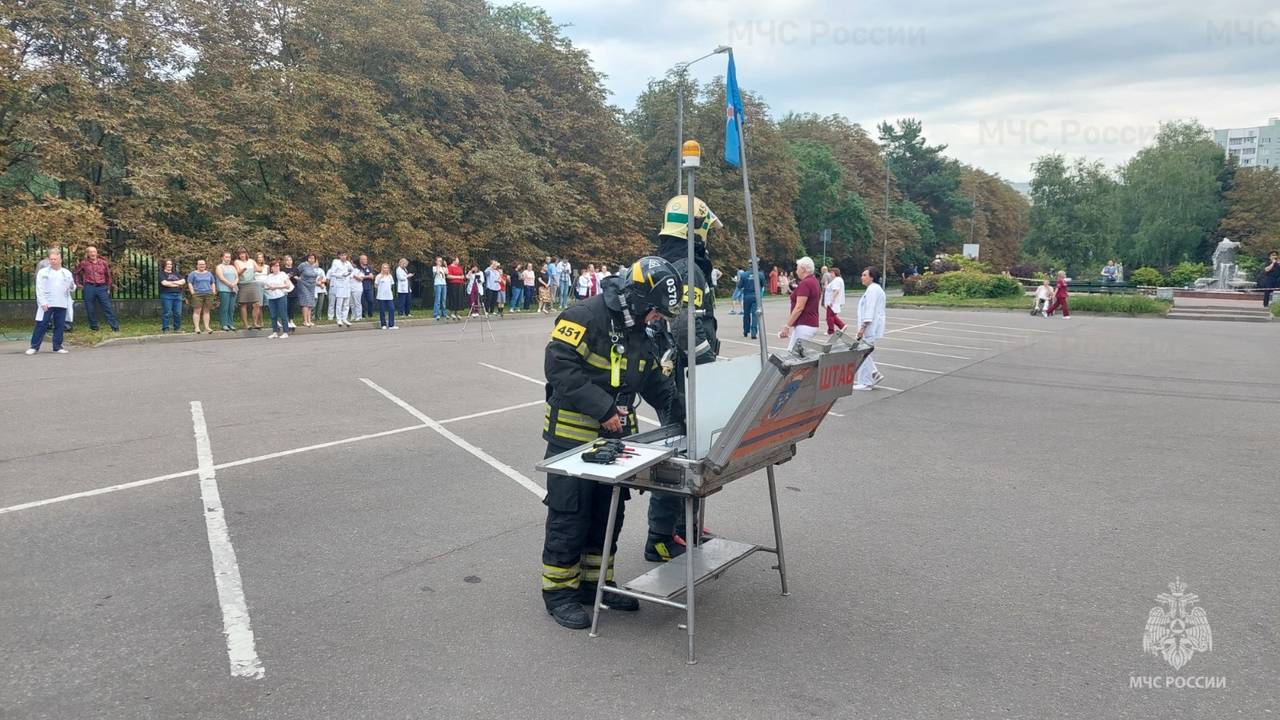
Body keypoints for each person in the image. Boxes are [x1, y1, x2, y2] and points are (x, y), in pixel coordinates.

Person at [539, 256, 686, 629]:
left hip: (616, 443)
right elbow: (560, 369)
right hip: (572, 438)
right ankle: (560, 592)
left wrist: (685, 419)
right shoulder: (582, 317)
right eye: (656, 312)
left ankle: (596, 583)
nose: (658, 320)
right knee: (571, 514)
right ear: (638, 299)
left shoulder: (638, 328)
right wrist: (604, 409)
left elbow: (656, 383)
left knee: (609, 514)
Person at [645, 194, 722, 562]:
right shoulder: (687, 266)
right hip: (683, 377)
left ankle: (682, 525)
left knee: (689, 452)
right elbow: (685, 326)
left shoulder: (668, 261)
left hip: (674, 371)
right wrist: (708, 372)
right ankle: (662, 535)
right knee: (679, 455)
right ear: (697, 228)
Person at [27, 250, 76, 354]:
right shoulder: (43, 272)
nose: (53, 261)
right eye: (51, 259)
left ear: (60, 260)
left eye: (55, 259)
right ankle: (34, 346)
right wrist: (42, 302)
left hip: (61, 302)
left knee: (59, 324)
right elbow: (39, 288)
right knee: (42, 324)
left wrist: (72, 286)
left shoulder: (66, 273)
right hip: (47, 303)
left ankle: (57, 346)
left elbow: (72, 287)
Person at [853, 266, 887, 391]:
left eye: (864, 275)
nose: (862, 277)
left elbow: (870, 310)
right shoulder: (875, 289)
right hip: (871, 327)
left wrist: (862, 328)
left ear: (872, 277)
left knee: (862, 353)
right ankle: (873, 374)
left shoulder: (873, 290)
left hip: (870, 328)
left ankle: (866, 381)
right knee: (863, 353)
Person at [72, 245, 119, 332]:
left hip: (102, 287)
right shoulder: (84, 263)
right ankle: (94, 327)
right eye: (90, 252)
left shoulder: (103, 262)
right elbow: (76, 273)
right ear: (88, 254)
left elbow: (108, 275)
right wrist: (78, 284)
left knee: (107, 307)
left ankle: (115, 327)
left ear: (97, 253)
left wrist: (108, 287)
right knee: (90, 308)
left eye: (94, 251)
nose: (93, 253)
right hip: (89, 287)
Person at [779, 256, 820, 352]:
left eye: (797, 267)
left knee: (793, 356)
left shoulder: (805, 283)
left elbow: (799, 307)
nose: (796, 270)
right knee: (798, 355)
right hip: (811, 323)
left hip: (804, 324)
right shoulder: (814, 281)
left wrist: (787, 326)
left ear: (803, 269)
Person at [261, 258, 294, 338]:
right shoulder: (269, 276)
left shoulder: (282, 274)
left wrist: (276, 287)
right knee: (273, 315)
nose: (277, 267)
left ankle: (285, 332)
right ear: (271, 268)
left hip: (281, 296)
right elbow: (265, 287)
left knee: (283, 314)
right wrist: (270, 288)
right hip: (271, 298)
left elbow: (287, 285)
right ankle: (275, 332)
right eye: (275, 266)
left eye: (278, 266)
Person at [234, 249, 262, 330]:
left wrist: (255, 268)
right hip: (243, 284)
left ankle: (255, 323)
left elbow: (260, 269)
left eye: (243, 253)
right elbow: (237, 273)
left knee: (256, 304)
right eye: (240, 254)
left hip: (252, 283)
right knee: (243, 304)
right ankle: (246, 324)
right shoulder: (237, 262)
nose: (242, 255)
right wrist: (243, 270)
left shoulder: (251, 261)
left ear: (246, 254)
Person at [187, 259, 216, 334]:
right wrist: (193, 292)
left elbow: (212, 283)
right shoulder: (193, 274)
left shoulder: (209, 274)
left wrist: (213, 291)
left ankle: (207, 327)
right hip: (197, 294)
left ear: (205, 265)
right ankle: (197, 327)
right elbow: (189, 283)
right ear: (197, 265)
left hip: (208, 294)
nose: (202, 266)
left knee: (206, 311)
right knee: (197, 311)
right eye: (200, 264)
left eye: (203, 264)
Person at [158, 258, 185, 332]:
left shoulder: (176, 273)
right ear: (164, 265)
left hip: (178, 295)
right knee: (167, 313)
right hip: (167, 295)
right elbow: (164, 283)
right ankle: (165, 328)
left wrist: (171, 283)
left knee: (178, 313)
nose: (169, 265)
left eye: (170, 264)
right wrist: (177, 283)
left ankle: (177, 328)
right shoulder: (161, 273)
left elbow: (183, 281)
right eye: (167, 264)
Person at [738, 264, 764, 339]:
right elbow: (762, 285)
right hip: (756, 296)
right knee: (755, 314)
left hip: (747, 296)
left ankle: (746, 331)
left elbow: (739, 286)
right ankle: (754, 332)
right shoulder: (760, 274)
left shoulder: (744, 275)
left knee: (746, 314)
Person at [328, 252, 355, 326]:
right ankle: (338, 319)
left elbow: (353, 270)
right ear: (339, 256)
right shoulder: (336, 262)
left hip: (347, 285)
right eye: (342, 255)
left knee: (346, 303)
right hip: (340, 284)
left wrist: (350, 276)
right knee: (339, 303)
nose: (344, 256)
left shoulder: (348, 263)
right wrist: (341, 275)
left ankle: (344, 318)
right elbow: (332, 273)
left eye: (345, 255)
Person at [214, 252, 239, 331]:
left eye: (229, 257)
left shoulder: (232, 267)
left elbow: (237, 277)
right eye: (226, 257)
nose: (228, 259)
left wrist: (234, 284)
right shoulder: (219, 267)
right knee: (224, 307)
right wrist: (230, 285)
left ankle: (230, 323)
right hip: (224, 289)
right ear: (222, 258)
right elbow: (221, 278)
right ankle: (224, 324)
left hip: (233, 289)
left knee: (231, 308)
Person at [297, 253, 321, 327]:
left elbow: (318, 275)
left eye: (313, 258)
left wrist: (318, 281)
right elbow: (297, 271)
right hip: (303, 285)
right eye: (310, 258)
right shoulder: (303, 265)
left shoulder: (315, 266)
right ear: (307, 258)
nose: (311, 259)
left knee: (310, 303)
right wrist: (298, 278)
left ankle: (309, 320)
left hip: (312, 285)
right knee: (305, 302)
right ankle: (305, 321)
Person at [375, 263, 397, 329]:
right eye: (384, 268)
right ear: (382, 269)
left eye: (387, 268)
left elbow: (391, 285)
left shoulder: (390, 276)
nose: (385, 269)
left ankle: (391, 325)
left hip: (389, 296)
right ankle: (383, 324)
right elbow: (375, 285)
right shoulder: (378, 276)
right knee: (382, 310)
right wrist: (380, 281)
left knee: (392, 309)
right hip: (381, 296)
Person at [825, 267, 846, 335]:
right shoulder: (838, 280)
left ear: (834, 273)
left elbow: (836, 291)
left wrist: (831, 301)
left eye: (831, 273)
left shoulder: (836, 280)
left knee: (829, 317)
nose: (830, 274)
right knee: (832, 316)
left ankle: (831, 331)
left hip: (833, 302)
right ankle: (842, 325)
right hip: (835, 302)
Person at [350, 255, 370, 322]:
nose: (351, 264)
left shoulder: (359, 270)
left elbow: (361, 279)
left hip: (357, 288)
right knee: (352, 303)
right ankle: (353, 315)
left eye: (352, 263)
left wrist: (354, 275)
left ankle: (359, 316)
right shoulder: (350, 270)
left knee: (357, 303)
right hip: (350, 288)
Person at [283, 255, 301, 329]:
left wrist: (297, 278)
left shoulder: (295, 269)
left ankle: (291, 320)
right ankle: (285, 320)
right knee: (285, 306)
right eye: (287, 260)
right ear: (285, 261)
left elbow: (300, 278)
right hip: (285, 290)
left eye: (290, 260)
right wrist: (287, 277)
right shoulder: (282, 269)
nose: (289, 261)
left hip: (293, 289)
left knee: (292, 306)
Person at [357, 254, 376, 320]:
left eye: (366, 259)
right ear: (360, 260)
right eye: (364, 259)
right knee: (362, 302)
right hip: (360, 287)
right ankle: (363, 315)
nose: (365, 260)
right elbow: (359, 277)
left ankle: (370, 314)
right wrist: (368, 276)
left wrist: (364, 276)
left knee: (371, 301)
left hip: (369, 287)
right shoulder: (358, 268)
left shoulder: (369, 267)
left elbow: (372, 276)